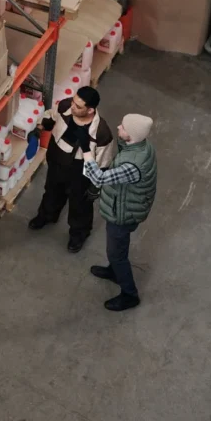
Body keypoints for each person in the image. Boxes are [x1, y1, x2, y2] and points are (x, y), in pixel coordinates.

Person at [78, 114, 157, 311]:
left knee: (117, 255)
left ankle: (129, 295)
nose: (119, 126)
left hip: (123, 215)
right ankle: (114, 272)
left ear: (131, 135)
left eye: (123, 127)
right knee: (117, 250)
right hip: (122, 205)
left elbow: (98, 178)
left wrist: (86, 149)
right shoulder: (141, 146)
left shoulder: (133, 165)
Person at [29, 86, 116, 253]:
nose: (72, 106)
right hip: (57, 160)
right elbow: (51, 116)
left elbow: (103, 162)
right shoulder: (64, 107)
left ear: (90, 110)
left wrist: (95, 187)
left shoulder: (102, 133)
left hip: (80, 171)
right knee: (52, 191)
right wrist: (39, 128)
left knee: (79, 204)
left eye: (78, 106)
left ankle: (79, 234)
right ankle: (46, 216)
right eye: (73, 102)